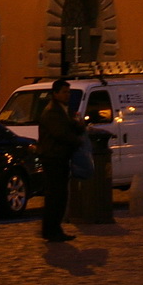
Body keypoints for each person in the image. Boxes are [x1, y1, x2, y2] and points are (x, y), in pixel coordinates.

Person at [38, 78, 86, 242]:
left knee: (59, 195)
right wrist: (77, 141)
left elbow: (69, 126)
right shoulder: (52, 111)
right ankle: (51, 230)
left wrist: (79, 125)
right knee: (55, 196)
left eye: (69, 92)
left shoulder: (63, 109)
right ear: (55, 93)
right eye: (65, 92)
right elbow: (60, 133)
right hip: (54, 158)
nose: (68, 95)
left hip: (59, 156)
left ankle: (53, 229)